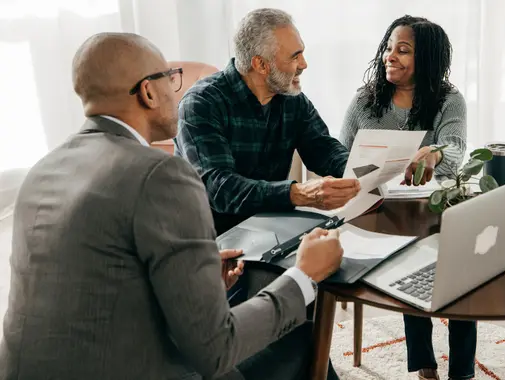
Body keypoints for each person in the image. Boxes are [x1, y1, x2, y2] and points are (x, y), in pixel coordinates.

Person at [0, 32, 344, 380]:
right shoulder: (161, 175)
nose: (175, 89)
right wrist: (304, 276)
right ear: (148, 91)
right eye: (170, 77)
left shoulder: (42, 170)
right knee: (303, 338)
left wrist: (195, 277)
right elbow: (216, 349)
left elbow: (101, 283)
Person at [339, 16, 476, 380]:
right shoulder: (365, 101)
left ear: (427, 59)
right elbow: (339, 154)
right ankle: (425, 367)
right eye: (388, 48)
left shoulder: (449, 100)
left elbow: (457, 147)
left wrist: (434, 152)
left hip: (436, 208)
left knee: (466, 277)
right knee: (409, 263)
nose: (390, 57)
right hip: (382, 211)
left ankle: (462, 372)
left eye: (403, 50)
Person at [174, 8, 360, 235]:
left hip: (267, 228)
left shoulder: (293, 99)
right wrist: (297, 193)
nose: (304, 64)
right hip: (210, 239)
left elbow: (323, 149)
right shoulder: (201, 103)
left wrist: (363, 171)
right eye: (295, 56)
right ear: (261, 65)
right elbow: (220, 189)